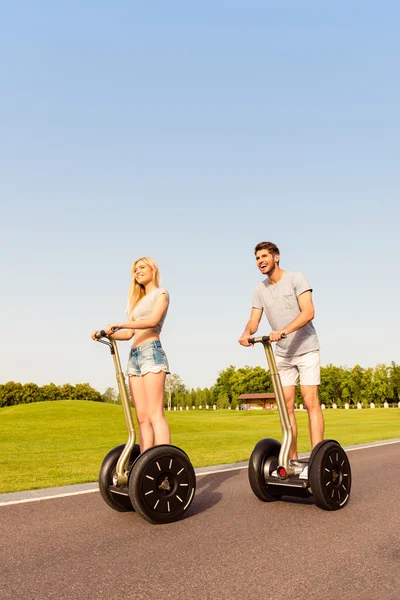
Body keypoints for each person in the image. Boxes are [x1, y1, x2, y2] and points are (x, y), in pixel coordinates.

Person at [238, 241, 324, 473]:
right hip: (283, 354)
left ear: (276, 257)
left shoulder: (296, 278)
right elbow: (254, 320)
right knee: (285, 406)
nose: (260, 261)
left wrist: (284, 330)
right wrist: (247, 333)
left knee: (310, 402)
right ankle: (293, 460)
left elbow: (309, 312)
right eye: (257, 258)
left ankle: (317, 461)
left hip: (306, 349)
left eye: (264, 256)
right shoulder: (260, 289)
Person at [92, 257, 171, 453]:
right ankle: (145, 466)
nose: (138, 272)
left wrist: (122, 323)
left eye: (142, 267)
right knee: (142, 417)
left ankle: (163, 461)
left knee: (155, 414)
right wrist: (108, 334)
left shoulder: (161, 294)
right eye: (135, 270)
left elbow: (152, 321)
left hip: (151, 352)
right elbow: (128, 335)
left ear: (153, 269)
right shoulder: (137, 302)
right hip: (134, 357)